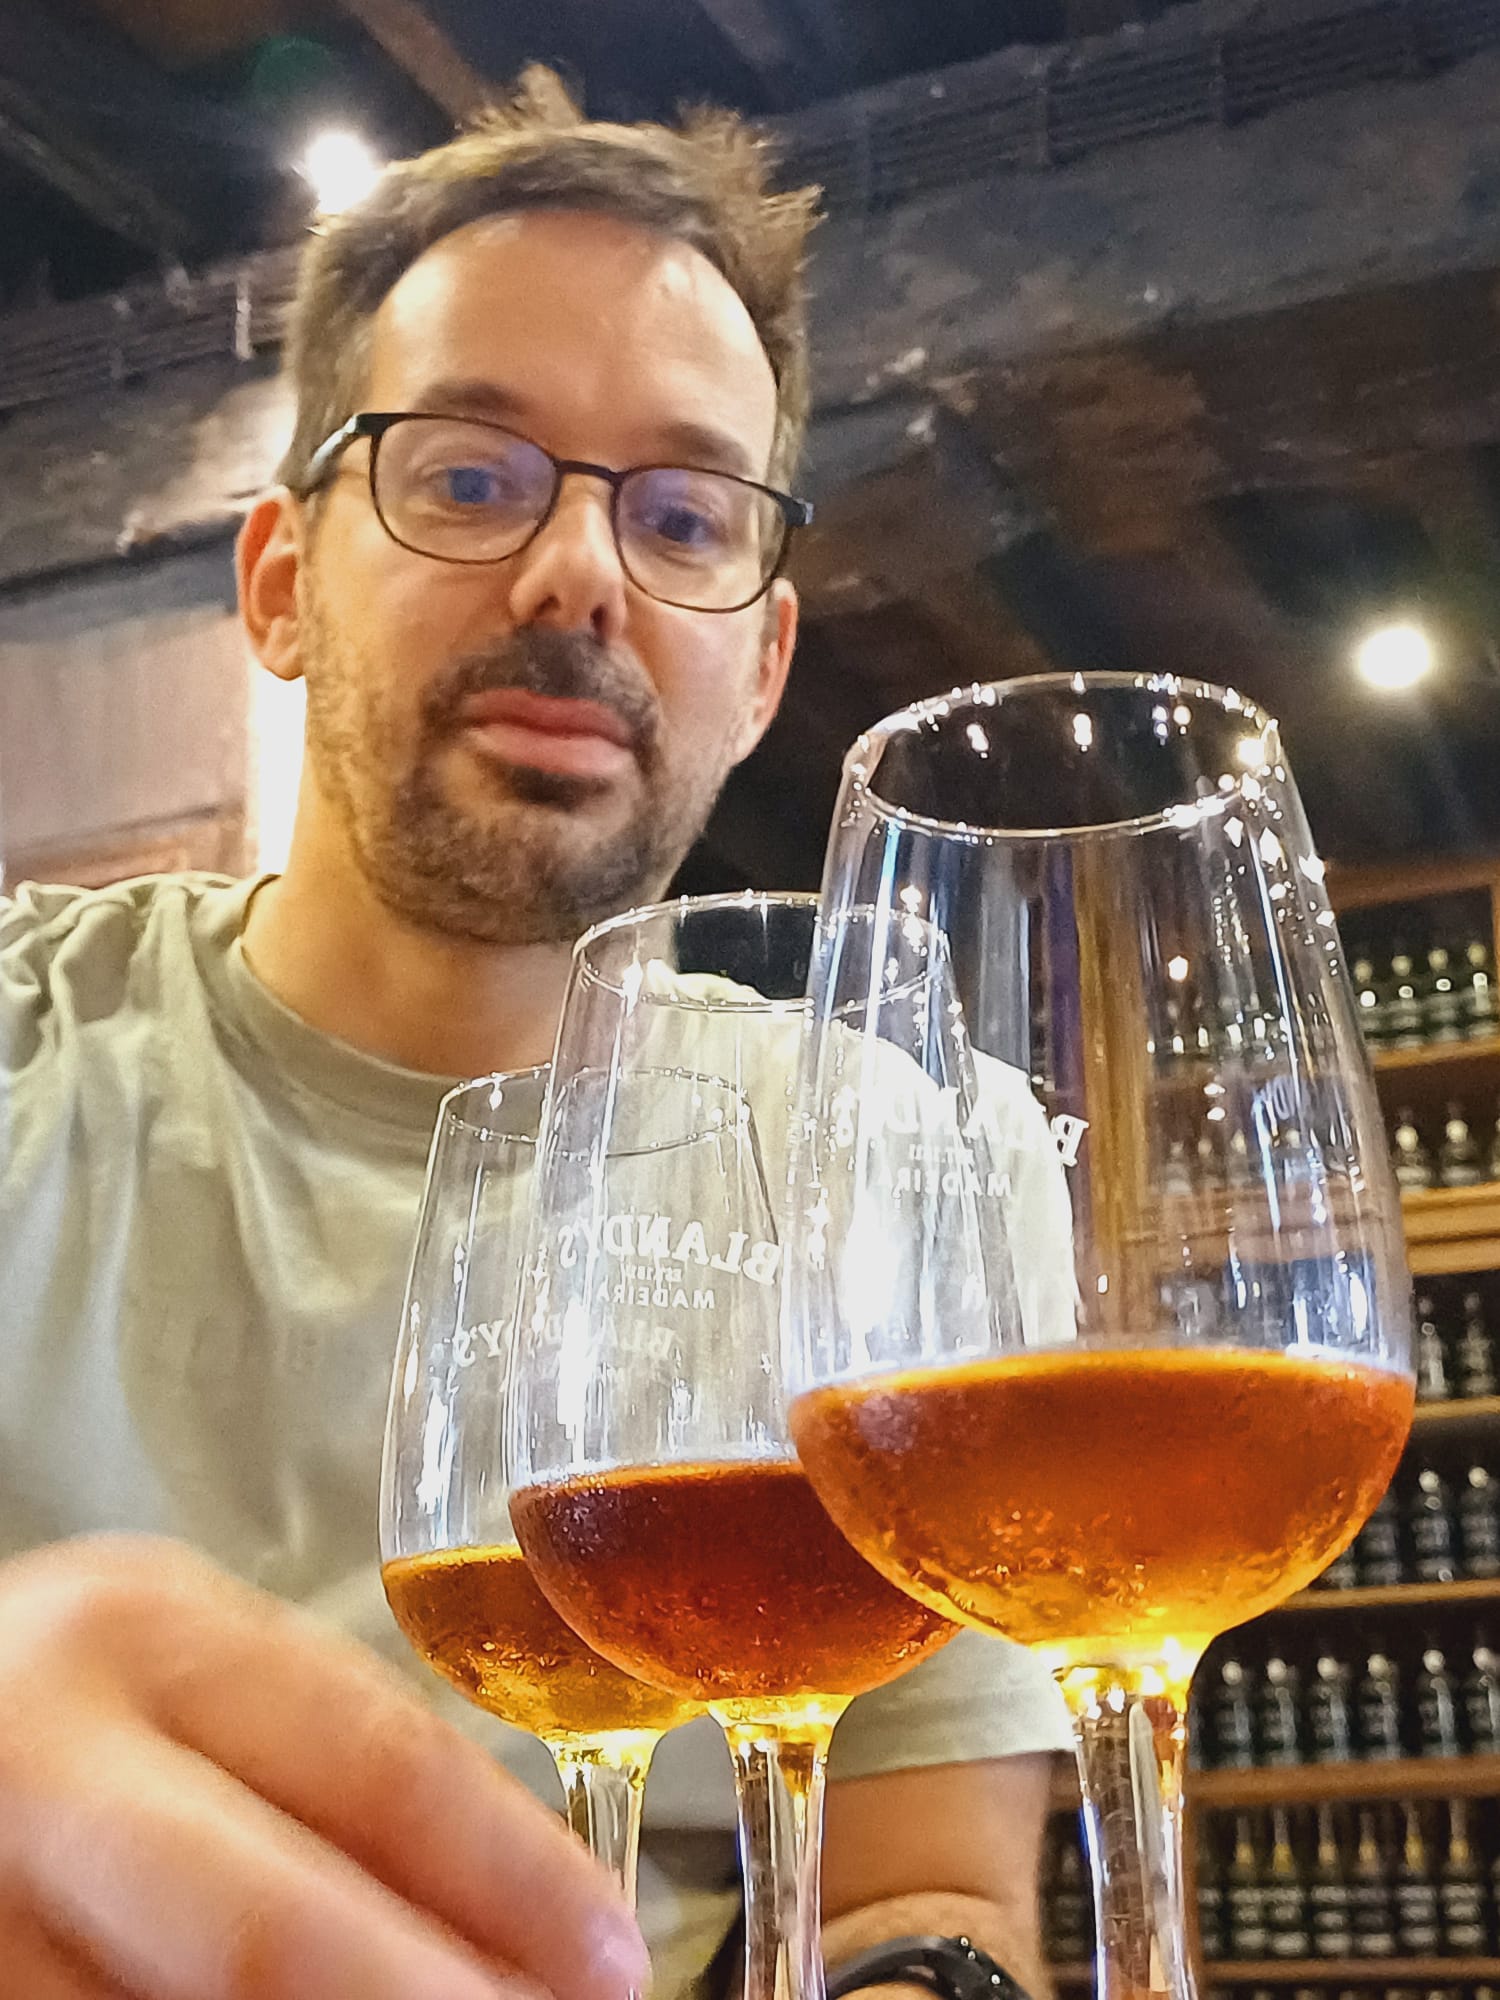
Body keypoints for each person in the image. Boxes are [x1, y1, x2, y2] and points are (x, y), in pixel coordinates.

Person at [0, 70, 1071, 2000]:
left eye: (685, 514)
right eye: (471, 478)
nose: (581, 572)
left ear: (760, 666)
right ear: (283, 587)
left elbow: (929, 1899)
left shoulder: (910, 1154)